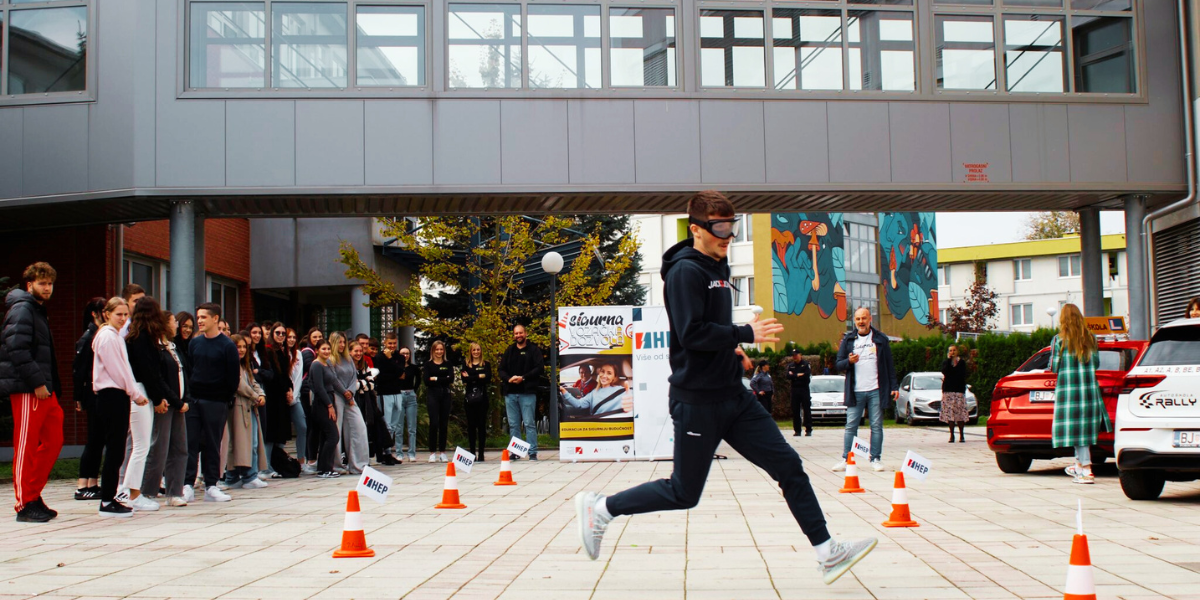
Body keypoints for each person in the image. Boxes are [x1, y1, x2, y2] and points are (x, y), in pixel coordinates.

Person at [573, 191, 875, 585]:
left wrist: (733, 352)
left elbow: (709, 330)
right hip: (697, 402)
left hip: (734, 396)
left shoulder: (719, 266)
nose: (727, 235)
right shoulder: (685, 273)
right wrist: (745, 333)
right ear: (696, 229)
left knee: (789, 467)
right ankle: (603, 508)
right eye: (719, 228)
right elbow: (690, 333)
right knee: (684, 492)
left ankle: (827, 551)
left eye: (732, 227)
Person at [0, 262, 66, 523]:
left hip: (44, 390)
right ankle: (23, 505)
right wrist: (37, 382)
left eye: (50, 283)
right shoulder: (23, 308)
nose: (47, 288)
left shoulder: (37, 310)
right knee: (25, 445)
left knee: (54, 440)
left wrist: (50, 387)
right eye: (42, 283)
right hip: (29, 389)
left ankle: (33, 493)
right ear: (29, 285)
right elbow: (16, 348)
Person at [91, 297, 144, 518]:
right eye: (118, 315)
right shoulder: (107, 337)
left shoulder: (113, 336)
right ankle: (106, 499)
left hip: (117, 394)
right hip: (112, 395)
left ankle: (109, 497)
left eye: (125, 315)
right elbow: (118, 370)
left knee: (117, 448)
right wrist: (135, 393)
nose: (123, 319)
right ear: (107, 314)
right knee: (114, 448)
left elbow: (124, 369)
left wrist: (132, 392)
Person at [185, 303, 239, 503]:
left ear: (215, 319)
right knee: (191, 443)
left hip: (216, 401)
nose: (199, 321)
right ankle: (187, 484)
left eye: (203, 317)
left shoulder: (227, 345)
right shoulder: (195, 343)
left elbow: (233, 378)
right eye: (198, 317)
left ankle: (211, 485)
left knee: (212, 444)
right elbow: (191, 370)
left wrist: (223, 398)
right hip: (194, 400)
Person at [122, 296, 172, 512]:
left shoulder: (133, 336)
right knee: (141, 446)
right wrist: (159, 397)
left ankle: (129, 490)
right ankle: (133, 494)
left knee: (139, 445)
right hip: (141, 392)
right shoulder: (143, 338)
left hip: (138, 390)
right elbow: (149, 372)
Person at [833, 307, 897, 473]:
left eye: (864, 318)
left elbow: (889, 365)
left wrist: (894, 386)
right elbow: (838, 364)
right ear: (854, 321)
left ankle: (875, 458)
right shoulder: (848, 340)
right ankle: (846, 459)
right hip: (856, 390)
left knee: (876, 425)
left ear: (870, 320)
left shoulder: (881, 339)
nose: (861, 322)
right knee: (851, 425)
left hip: (876, 389)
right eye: (858, 319)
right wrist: (849, 361)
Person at [1051, 303, 1109, 485]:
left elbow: (1054, 367)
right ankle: (1078, 466)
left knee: (1076, 430)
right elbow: (1096, 364)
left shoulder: (1059, 340)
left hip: (1069, 392)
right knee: (1083, 430)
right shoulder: (1091, 338)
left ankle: (1085, 468)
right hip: (1089, 391)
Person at [140, 310, 190, 507]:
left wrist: (186, 399)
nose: (176, 326)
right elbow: (159, 379)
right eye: (173, 322)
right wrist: (175, 401)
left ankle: (174, 491)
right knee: (159, 447)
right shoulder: (157, 349)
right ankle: (148, 491)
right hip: (166, 404)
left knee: (180, 448)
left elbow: (184, 375)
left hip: (180, 404)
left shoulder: (174, 347)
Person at [73, 297, 107, 502]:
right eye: (104, 311)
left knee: (98, 438)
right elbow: (79, 370)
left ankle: (92, 483)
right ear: (95, 314)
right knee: (93, 439)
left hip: (96, 393)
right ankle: (82, 485)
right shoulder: (88, 338)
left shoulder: (99, 335)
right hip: (91, 394)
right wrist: (78, 397)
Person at [225, 334, 269, 490]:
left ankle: (247, 475)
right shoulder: (231, 364)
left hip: (249, 406)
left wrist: (261, 394)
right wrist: (255, 396)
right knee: (239, 443)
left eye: (244, 347)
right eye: (238, 347)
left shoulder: (245, 365)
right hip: (238, 406)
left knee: (252, 442)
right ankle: (244, 476)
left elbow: (253, 382)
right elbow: (239, 384)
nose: (242, 350)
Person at [498, 324, 544, 461]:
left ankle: (532, 452)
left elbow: (539, 368)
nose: (518, 335)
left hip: (527, 393)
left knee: (529, 423)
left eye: (521, 333)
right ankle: (516, 452)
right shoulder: (509, 351)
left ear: (526, 333)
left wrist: (523, 378)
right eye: (516, 333)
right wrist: (508, 379)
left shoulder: (534, 350)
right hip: (510, 393)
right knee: (513, 424)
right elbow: (501, 369)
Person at [330, 333, 370, 474]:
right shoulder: (331, 359)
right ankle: (336, 465)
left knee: (359, 427)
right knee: (337, 430)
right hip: (336, 395)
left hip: (350, 397)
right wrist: (343, 391)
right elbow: (333, 378)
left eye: (343, 342)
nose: (342, 345)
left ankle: (359, 465)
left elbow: (354, 376)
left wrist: (350, 393)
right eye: (339, 342)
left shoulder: (348, 359)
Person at [260, 323, 292, 476]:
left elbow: (286, 374)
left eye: (283, 334)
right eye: (278, 333)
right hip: (272, 397)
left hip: (281, 397)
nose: (281, 336)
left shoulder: (284, 352)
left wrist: (289, 389)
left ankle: (276, 463)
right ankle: (265, 466)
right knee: (271, 433)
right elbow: (273, 376)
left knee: (280, 432)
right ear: (272, 334)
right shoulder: (268, 351)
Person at [308, 340, 342, 478]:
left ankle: (324, 468)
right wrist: (329, 405)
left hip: (329, 398)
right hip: (322, 403)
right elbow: (319, 387)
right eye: (323, 349)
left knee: (326, 437)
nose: (327, 351)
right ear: (317, 350)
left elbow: (333, 382)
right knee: (333, 436)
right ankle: (325, 468)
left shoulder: (327, 364)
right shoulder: (316, 365)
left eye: (328, 349)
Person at [374, 333, 408, 464]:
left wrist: (391, 362)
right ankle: (385, 452)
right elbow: (381, 376)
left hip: (397, 392)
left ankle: (389, 451)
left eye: (394, 343)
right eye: (390, 343)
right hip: (385, 393)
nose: (392, 346)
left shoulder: (399, 357)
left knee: (394, 424)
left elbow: (400, 373)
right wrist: (391, 368)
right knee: (386, 423)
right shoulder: (379, 357)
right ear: (385, 343)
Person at [559, 363, 632, 417]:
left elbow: (634, 399)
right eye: (602, 371)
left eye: (609, 373)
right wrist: (563, 391)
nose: (604, 376)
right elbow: (579, 405)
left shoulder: (623, 391)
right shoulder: (594, 392)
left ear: (614, 377)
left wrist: (632, 404)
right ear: (599, 373)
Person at [423, 340, 455, 463]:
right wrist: (443, 378)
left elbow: (450, 379)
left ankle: (442, 451)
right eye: (437, 349)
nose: (439, 352)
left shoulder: (448, 364)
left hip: (445, 395)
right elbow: (426, 380)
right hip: (433, 396)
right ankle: (432, 452)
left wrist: (436, 378)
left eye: (441, 349)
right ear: (433, 350)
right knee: (434, 423)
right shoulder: (428, 364)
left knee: (443, 423)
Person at [299, 327, 325, 473]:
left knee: (315, 426)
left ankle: (313, 458)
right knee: (311, 426)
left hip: (313, 391)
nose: (317, 338)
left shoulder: (316, 352)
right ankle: (310, 459)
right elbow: (312, 368)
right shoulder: (308, 353)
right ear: (309, 338)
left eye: (319, 336)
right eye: (314, 337)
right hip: (307, 392)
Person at [462, 342, 491, 461]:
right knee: (471, 426)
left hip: (482, 399)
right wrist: (479, 376)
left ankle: (481, 453)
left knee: (481, 426)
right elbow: (464, 379)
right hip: (469, 399)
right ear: (470, 351)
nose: (476, 352)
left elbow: (488, 378)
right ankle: (472, 452)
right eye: (474, 350)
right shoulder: (465, 364)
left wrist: (471, 377)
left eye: (478, 349)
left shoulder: (486, 364)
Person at [283, 328, 308, 465]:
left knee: (302, 427)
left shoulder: (298, 354)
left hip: (295, 397)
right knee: (281, 432)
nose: (291, 339)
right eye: (289, 337)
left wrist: (294, 394)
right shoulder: (281, 354)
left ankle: (301, 460)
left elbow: (298, 378)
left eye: (293, 337)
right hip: (283, 397)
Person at [940, 345, 970, 443]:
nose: (952, 352)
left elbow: (960, 374)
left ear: (957, 351)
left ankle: (962, 435)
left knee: (960, 414)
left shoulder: (961, 363)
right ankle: (951, 435)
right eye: (950, 350)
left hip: (959, 391)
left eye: (954, 350)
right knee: (950, 415)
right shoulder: (946, 362)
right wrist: (949, 361)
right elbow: (945, 372)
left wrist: (954, 368)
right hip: (948, 391)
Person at [397, 346, 421, 462]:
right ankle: (399, 453)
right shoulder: (396, 367)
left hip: (410, 395)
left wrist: (415, 391)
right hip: (399, 395)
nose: (405, 356)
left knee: (412, 427)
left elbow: (419, 379)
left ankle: (412, 453)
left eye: (407, 353)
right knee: (399, 427)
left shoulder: (413, 368)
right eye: (402, 353)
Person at [786, 350, 813, 437]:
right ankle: (797, 430)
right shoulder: (791, 366)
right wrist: (798, 375)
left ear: (800, 355)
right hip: (795, 390)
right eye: (793, 355)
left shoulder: (805, 365)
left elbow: (806, 375)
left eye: (796, 355)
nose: (795, 357)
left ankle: (808, 429)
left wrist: (794, 375)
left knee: (806, 409)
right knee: (795, 410)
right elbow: (788, 376)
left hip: (804, 389)